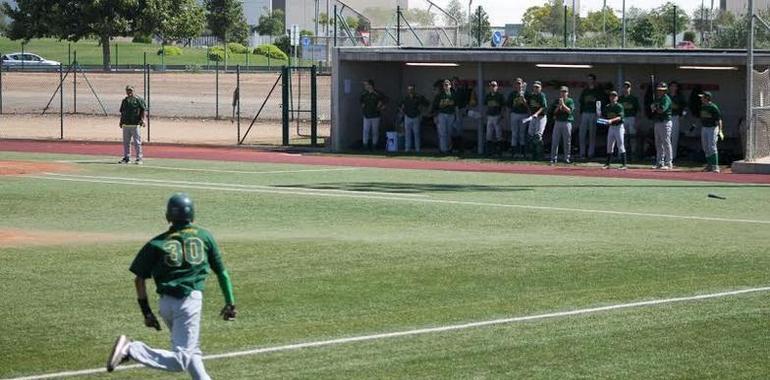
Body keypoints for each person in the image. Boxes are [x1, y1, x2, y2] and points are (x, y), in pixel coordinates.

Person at [107, 193, 237, 379]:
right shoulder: (205, 237)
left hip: (166, 305)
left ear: (168, 216)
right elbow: (222, 273)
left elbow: (139, 279)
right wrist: (230, 302)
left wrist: (147, 312)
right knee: (180, 360)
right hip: (189, 303)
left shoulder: (157, 242)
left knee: (192, 351)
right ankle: (132, 349)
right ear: (192, 215)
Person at [578, 74, 603, 159]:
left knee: (592, 134)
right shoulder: (585, 91)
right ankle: (582, 153)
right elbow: (581, 102)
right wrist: (581, 113)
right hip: (585, 113)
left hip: (593, 113)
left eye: (591, 79)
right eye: (588, 79)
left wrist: (598, 114)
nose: (589, 81)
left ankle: (590, 153)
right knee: (582, 134)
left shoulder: (597, 91)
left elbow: (599, 103)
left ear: (594, 80)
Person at [119, 85, 146, 164]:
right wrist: (121, 122)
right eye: (128, 90)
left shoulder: (138, 100)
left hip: (135, 124)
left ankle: (139, 158)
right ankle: (127, 158)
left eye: (130, 90)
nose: (129, 92)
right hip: (126, 124)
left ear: (134, 91)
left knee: (137, 142)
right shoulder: (124, 101)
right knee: (126, 142)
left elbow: (143, 110)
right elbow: (122, 112)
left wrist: (142, 120)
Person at [549, 86, 575, 165]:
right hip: (558, 122)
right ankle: (553, 158)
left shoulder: (570, 100)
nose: (563, 93)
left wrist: (563, 104)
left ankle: (566, 158)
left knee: (567, 141)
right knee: (555, 141)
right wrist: (558, 106)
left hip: (567, 122)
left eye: (565, 92)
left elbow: (569, 111)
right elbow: (554, 112)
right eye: (562, 92)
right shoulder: (556, 100)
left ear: (567, 93)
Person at [399, 84, 429, 153]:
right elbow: (400, 106)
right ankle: (407, 149)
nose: (410, 91)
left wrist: (422, 110)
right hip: (407, 116)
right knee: (407, 133)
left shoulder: (419, 97)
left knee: (416, 133)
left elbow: (427, 104)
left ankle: (417, 149)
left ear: (414, 90)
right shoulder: (405, 98)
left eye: (412, 89)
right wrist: (403, 112)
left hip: (416, 116)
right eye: (409, 89)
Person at [432, 79, 460, 154]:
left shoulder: (453, 95)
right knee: (442, 133)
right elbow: (435, 107)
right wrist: (435, 116)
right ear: (443, 86)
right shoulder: (440, 95)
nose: (446, 86)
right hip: (442, 115)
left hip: (451, 114)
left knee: (449, 132)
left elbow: (456, 107)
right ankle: (443, 149)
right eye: (445, 85)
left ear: (450, 86)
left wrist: (457, 117)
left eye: (447, 85)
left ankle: (449, 148)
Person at [698, 92, 723, 172]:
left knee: (712, 146)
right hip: (704, 128)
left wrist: (720, 130)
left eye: (702, 97)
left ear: (707, 98)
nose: (701, 98)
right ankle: (709, 165)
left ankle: (715, 166)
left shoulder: (713, 107)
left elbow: (719, 120)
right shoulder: (703, 106)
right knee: (705, 147)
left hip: (712, 128)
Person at [651, 82, 674, 170]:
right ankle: (660, 162)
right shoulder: (658, 99)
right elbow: (654, 111)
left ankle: (669, 162)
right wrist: (653, 107)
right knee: (658, 143)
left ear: (665, 91)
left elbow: (661, 110)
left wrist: (655, 107)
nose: (660, 91)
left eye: (662, 90)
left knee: (666, 142)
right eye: (659, 90)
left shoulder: (665, 99)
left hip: (665, 122)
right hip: (657, 122)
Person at [602, 91, 627, 169]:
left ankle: (624, 165)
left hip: (619, 127)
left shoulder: (619, 106)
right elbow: (605, 117)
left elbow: (620, 117)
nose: (613, 97)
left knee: (620, 145)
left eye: (614, 96)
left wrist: (611, 120)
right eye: (611, 96)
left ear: (617, 98)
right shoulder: (607, 107)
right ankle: (607, 164)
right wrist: (601, 119)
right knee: (609, 145)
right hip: (611, 127)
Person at [360, 80, 386, 151]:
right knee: (365, 131)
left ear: (370, 85)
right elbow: (362, 103)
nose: (365, 86)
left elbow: (385, 101)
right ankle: (365, 146)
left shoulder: (377, 94)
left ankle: (374, 146)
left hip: (375, 115)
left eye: (366, 85)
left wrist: (381, 107)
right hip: (367, 115)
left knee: (375, 131)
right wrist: (364, 109)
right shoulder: (364, 94)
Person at [507, 78, 529, 157]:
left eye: (519, 83)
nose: (518, 85)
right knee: (514, 133)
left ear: (522, 84)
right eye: (517, 83)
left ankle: (523, 153)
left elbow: (529, 106)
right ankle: (513, 152)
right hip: (514, 114)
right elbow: (509, 105)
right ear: (515, 85)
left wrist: (523, 99)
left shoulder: (526, 93)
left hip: (523, 114)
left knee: (522, 134)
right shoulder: (512, 94)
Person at [526, 81, 548, 161]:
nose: (536, 89)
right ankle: (533, 155)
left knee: (538, 136)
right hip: (533, 117)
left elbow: (543, 107)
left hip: (541, 117)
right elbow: (527, 104)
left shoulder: (541, 95)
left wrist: (536, 113)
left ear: (540, 88)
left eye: (537, 87)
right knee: (531, 135)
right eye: (535, 87)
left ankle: (540, 156)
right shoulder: (531, 95)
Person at [618, 81, 640, 160]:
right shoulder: (620, 99)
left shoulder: (633, 98)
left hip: (631, 118)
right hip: (623, 119)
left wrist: (637, 121)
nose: (626, 89)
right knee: (623, 137)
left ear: (630, 88)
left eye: (627, 87)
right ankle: (623, 154)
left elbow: (638, 111)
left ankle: (633, 154)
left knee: (632, 137)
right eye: (624, 87)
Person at [484, 81, 506, 156]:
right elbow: (486, 105)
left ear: (497, 87)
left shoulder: (500, 96)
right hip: (490, 116)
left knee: (498, 135)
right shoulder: (488, 96)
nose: (493, 87)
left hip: (497, 116)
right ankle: (489, 151)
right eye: (491, 86)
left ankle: (499, 151)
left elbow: (503, 106)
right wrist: (486, 114)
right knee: (488, 134)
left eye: (494, 86)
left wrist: (501, 115)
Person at [668, 81, 688, 162]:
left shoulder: (680, 97)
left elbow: (685, 107)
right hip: (667, 117)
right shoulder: (666, 96)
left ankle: (673, 156)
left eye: (675, 86)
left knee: (674, 137)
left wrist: (683, 115)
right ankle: (666, 156)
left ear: (677, 88)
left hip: (675, 117)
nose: (673, 88)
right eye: (672, 86)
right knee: (666, 137)